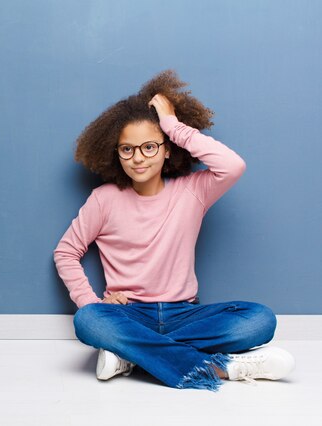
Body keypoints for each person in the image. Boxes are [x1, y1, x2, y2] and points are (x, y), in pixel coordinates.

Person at [53, 70, 295, 391]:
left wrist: (172, 125)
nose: (138, 158)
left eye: (150, 147)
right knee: (87, 320)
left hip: (186, 314)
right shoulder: (104, 200)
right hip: (129, 313)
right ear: (117, 154)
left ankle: (131, 355)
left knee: (259, 319)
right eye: (127, 149)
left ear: (167, 149)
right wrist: (90, 300)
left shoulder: (192, 191)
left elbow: (232, 165)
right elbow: (66, 252)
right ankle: (224, 368)